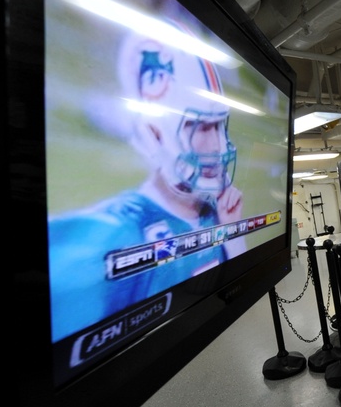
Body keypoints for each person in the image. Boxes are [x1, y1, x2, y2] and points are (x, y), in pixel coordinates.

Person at [48, 31, 248, 341]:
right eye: (201, 127)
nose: (219, 144)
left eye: (220, 125)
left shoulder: (216, 214)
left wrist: (233, 232)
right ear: (154, 134)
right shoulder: (120, 232)